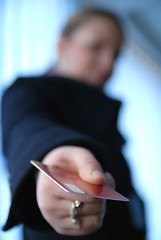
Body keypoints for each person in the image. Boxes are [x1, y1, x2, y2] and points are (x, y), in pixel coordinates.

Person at [1, 7, 146, 240]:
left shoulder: (108, 119)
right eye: (95, 47)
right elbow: (26, 127)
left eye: (116, 54)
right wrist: (52, 156)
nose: (108, 63)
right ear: (62, 45)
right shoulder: (27, 91)